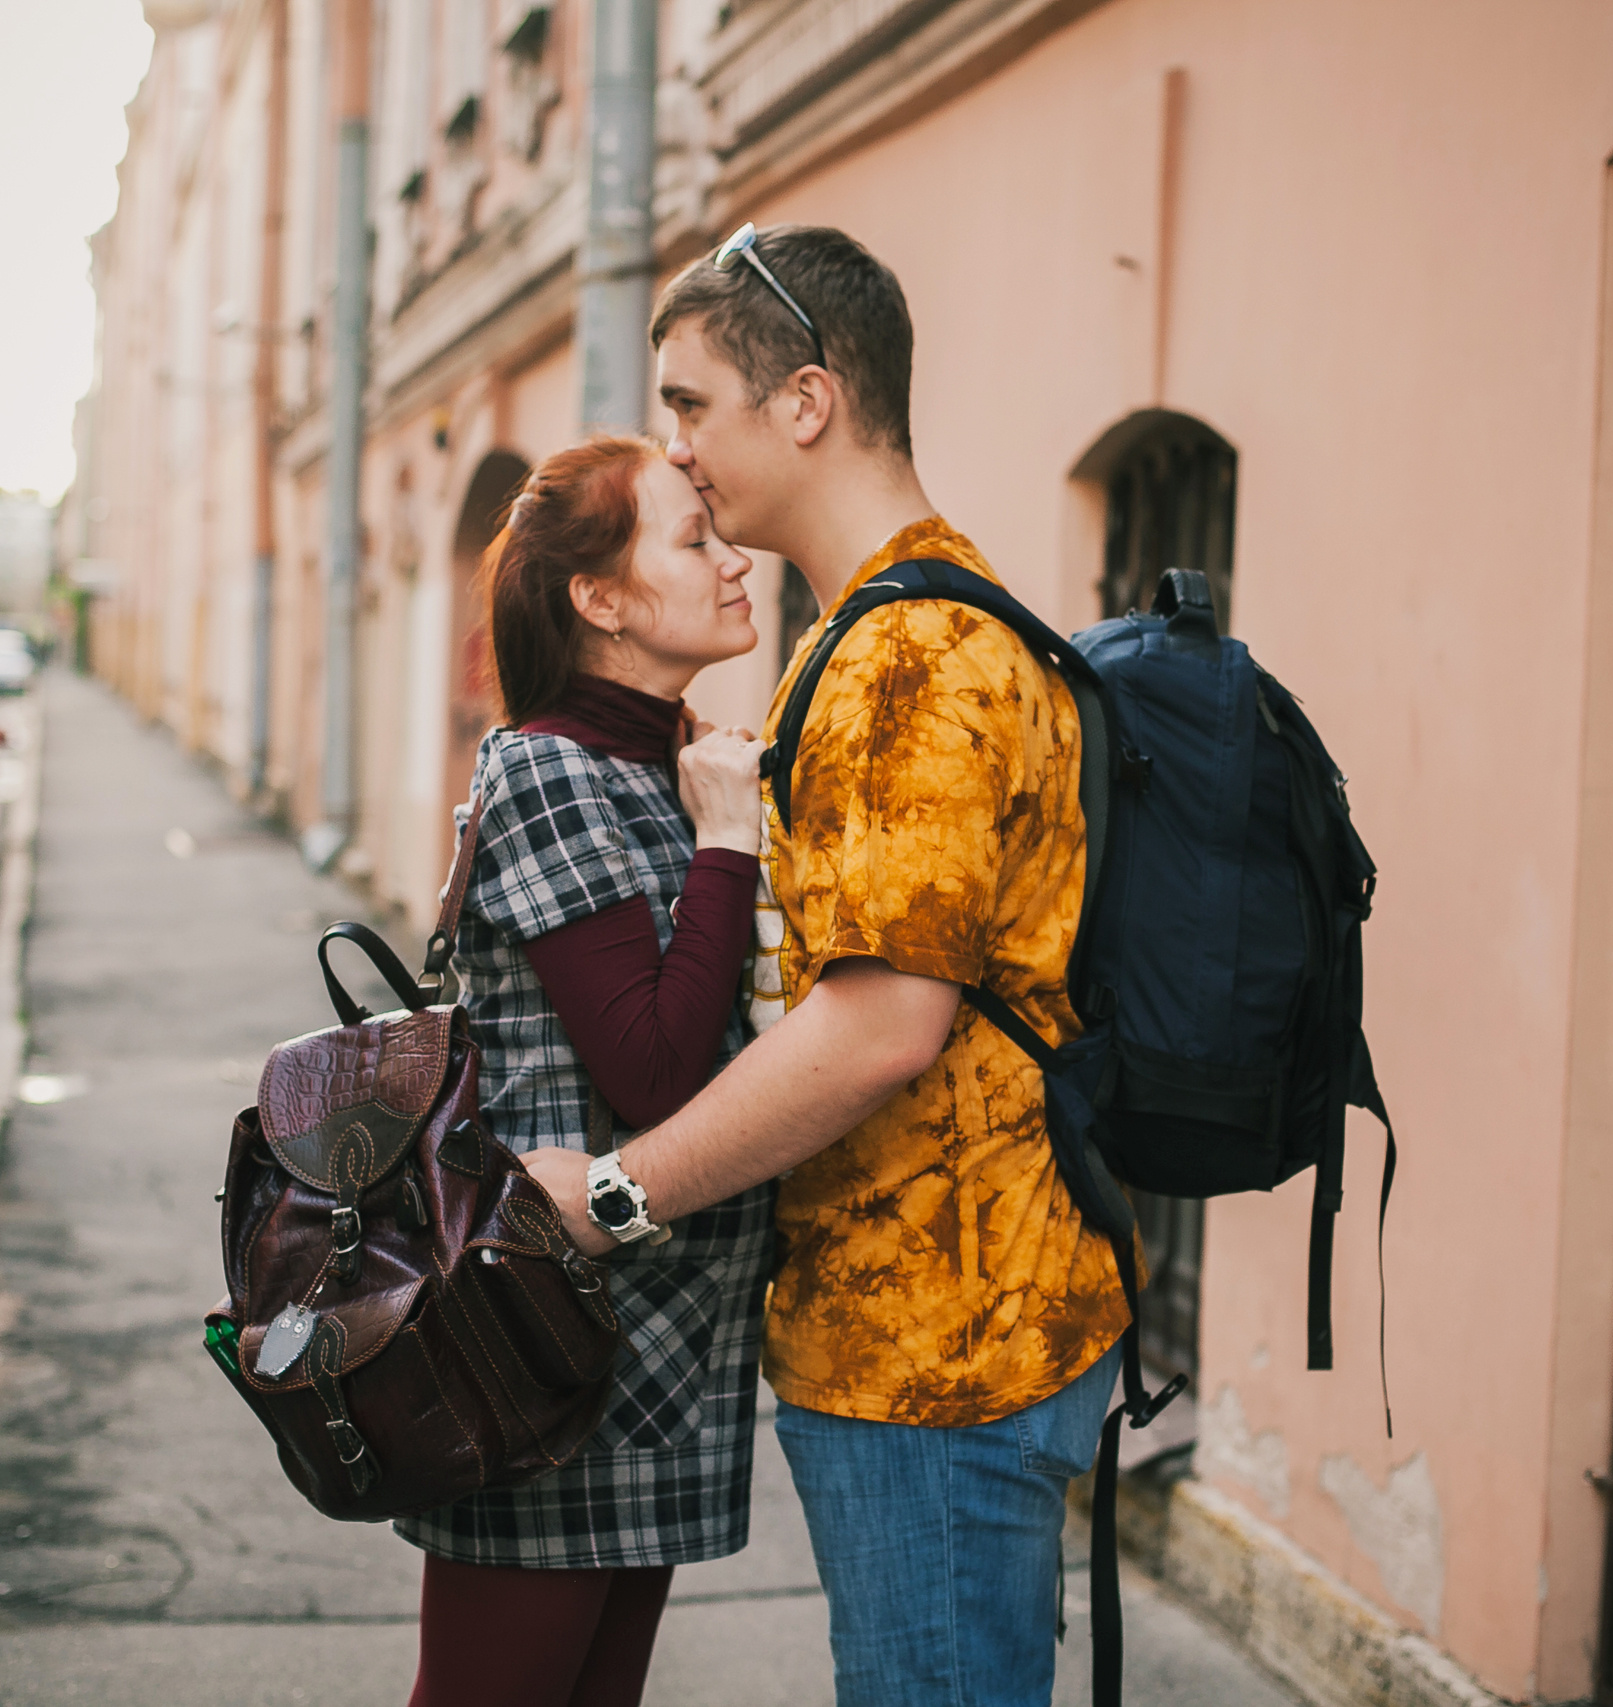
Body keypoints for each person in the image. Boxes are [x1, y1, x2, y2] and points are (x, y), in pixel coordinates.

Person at [522, 227, 1131, 1706]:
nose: (680, 445)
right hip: (950, 1321)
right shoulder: (895, 624)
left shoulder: (910, 659)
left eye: (692, 403)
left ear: (803, 402)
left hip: (940, 1346)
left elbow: (879, 1029)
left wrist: (614, 1196)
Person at [399, 434, 774, 1707]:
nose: (735, 562)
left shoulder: (653, 763)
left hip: (656, 1345)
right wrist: (728, 843)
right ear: (601, 602)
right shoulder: (554, 768)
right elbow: (658, 1071)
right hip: (551, 1343)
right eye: (692, 540)